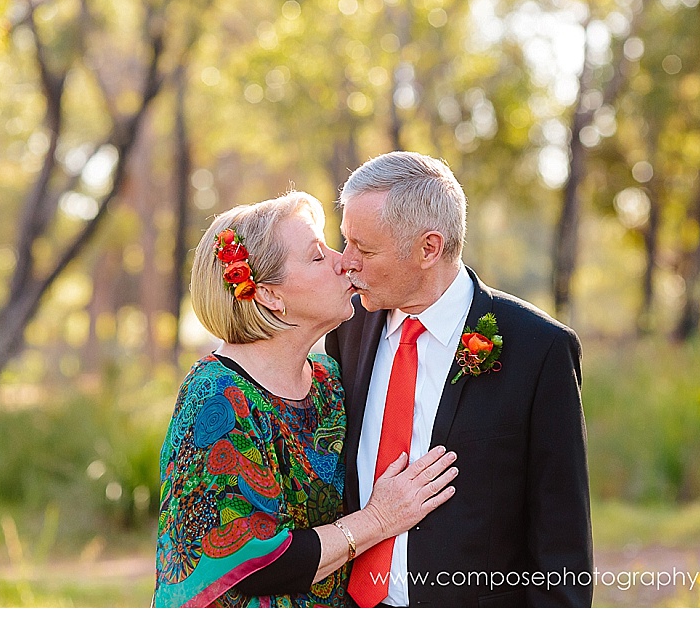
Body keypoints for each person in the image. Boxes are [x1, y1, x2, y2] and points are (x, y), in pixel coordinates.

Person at [155, 194, 459, 607]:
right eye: (318, 256)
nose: (344, 262)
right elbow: (248, 560)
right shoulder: (217, 396)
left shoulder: (331, 382)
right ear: (268, 296)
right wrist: (378, 519)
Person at [327, 152, 593, 606]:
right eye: (346, 241)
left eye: (365, 250)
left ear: (429, 248)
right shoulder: (346, 327)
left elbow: (561, 535)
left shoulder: (539, 349)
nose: (346, 262)